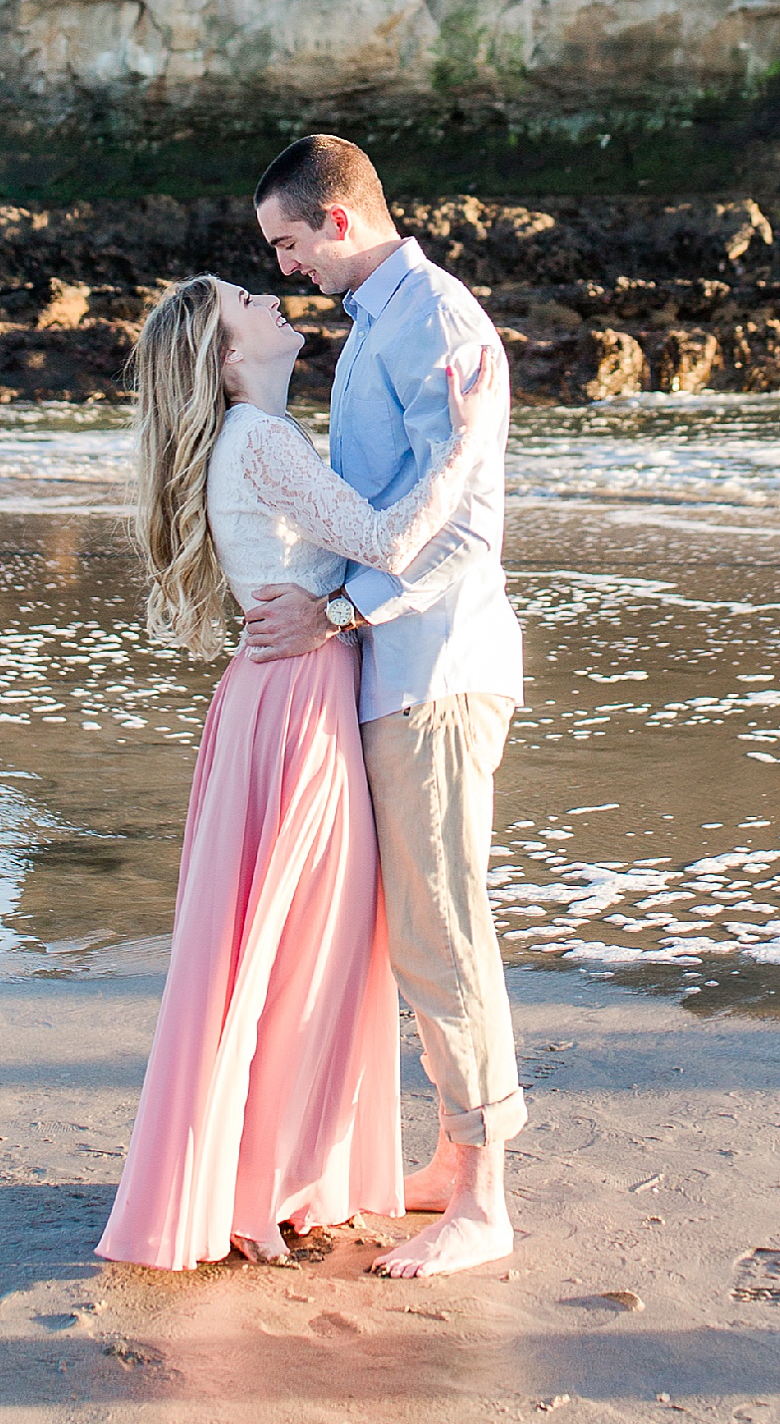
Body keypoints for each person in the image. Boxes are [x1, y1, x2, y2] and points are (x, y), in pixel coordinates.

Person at [95, 271, 504, 1274]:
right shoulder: (265, 442)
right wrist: (463, 443)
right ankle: (266, 1184)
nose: (270, 294)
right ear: (228, 357)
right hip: (305, 693)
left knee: (274, 943)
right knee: (304, 946)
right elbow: (393, 541)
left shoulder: (252, 443)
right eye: (247, 298)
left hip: (271, 695)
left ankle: (261, 1174)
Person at [244, 132, 524, 1279]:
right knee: (410, 926)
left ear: (340, 218)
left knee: (442, 923)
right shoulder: (375, 324)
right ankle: (457, 1161)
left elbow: (458, 529)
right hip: (391, 671)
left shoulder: (440, 325)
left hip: (437, 670)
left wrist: (339, 616)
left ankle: (488, 1193)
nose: (285, 266)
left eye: (289, 241)